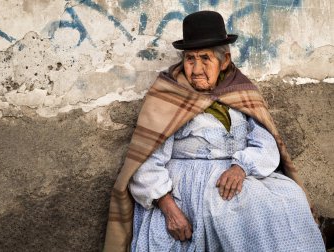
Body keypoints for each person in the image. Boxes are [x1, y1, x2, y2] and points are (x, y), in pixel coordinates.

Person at [104, 11, 325, 251]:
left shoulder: (239, 89)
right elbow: (145, 162)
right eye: (190, 59)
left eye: (205, 59)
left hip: (240, 174)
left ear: (225, 61)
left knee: (290, 197)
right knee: (233, 208)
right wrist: (168, 208)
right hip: (191, 185)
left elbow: (265, 141)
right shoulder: (169, 95)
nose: (196, 69)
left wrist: (241, 167)